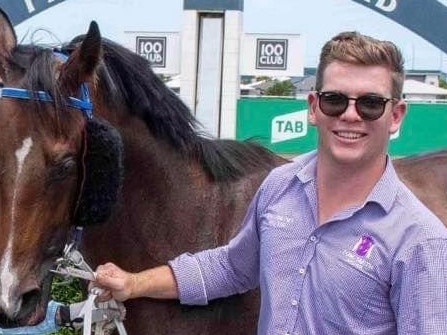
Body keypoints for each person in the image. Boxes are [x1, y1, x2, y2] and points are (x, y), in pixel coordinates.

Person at [93, 31, 447, 334]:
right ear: (313, 107)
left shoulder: (420, 239)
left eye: (371, 103)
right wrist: (134, 283)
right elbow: (231, 268)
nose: (350, 115)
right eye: (334, 100)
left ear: (396, 116)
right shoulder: (281, 186)